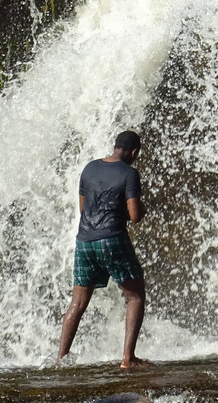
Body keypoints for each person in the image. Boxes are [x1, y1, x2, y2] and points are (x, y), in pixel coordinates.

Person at [55, 130, 148, 368]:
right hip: (112, 239)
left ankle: (61, 358)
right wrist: (142, 208)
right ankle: (128, 358)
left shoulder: (89, 168)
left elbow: (83, 209)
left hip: (85, 240)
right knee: (135, 296)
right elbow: (135, 216)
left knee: (77, 302)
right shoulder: (130, 174)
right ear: (134, 152)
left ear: (115, 146)